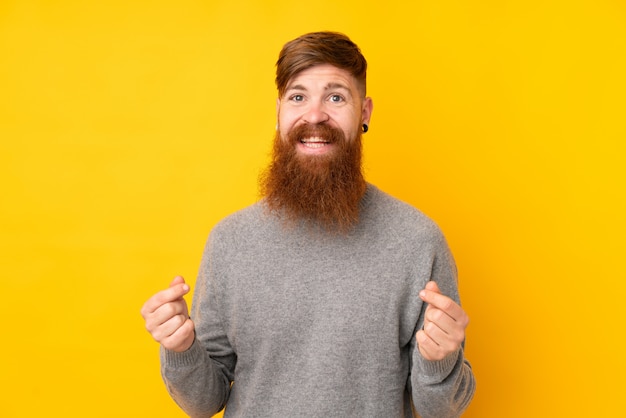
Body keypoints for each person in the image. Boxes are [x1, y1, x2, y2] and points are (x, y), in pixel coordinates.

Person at [141, 31, 476, 417]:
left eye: (336, 97)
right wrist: (181, 350)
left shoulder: (417, 241)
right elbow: (203, 402)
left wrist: (440, 361)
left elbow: (440, 410)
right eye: (298, 97)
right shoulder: (231, 242)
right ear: (279, 110)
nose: (315, 115)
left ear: (364, 113)